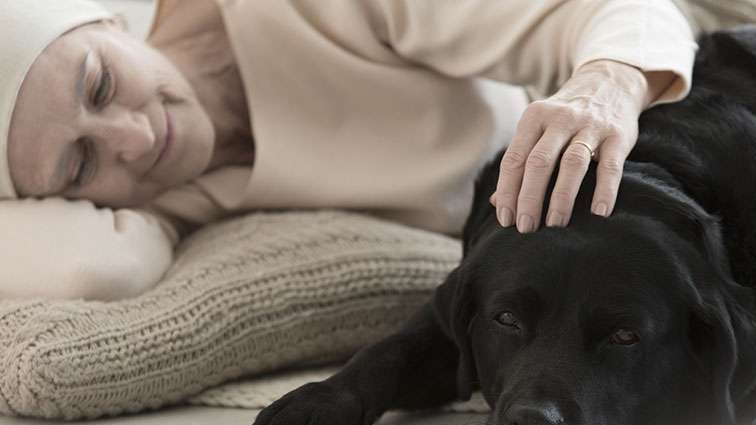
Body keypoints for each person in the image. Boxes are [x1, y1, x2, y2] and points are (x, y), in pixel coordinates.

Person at [0, 0, 696, 301]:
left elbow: (610, 13)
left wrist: (606, 84)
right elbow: (91, 270)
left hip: (660, 84)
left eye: (100, 84)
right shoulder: (159, 201)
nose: (135, 138)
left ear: (110, 20)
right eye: (79, 163)